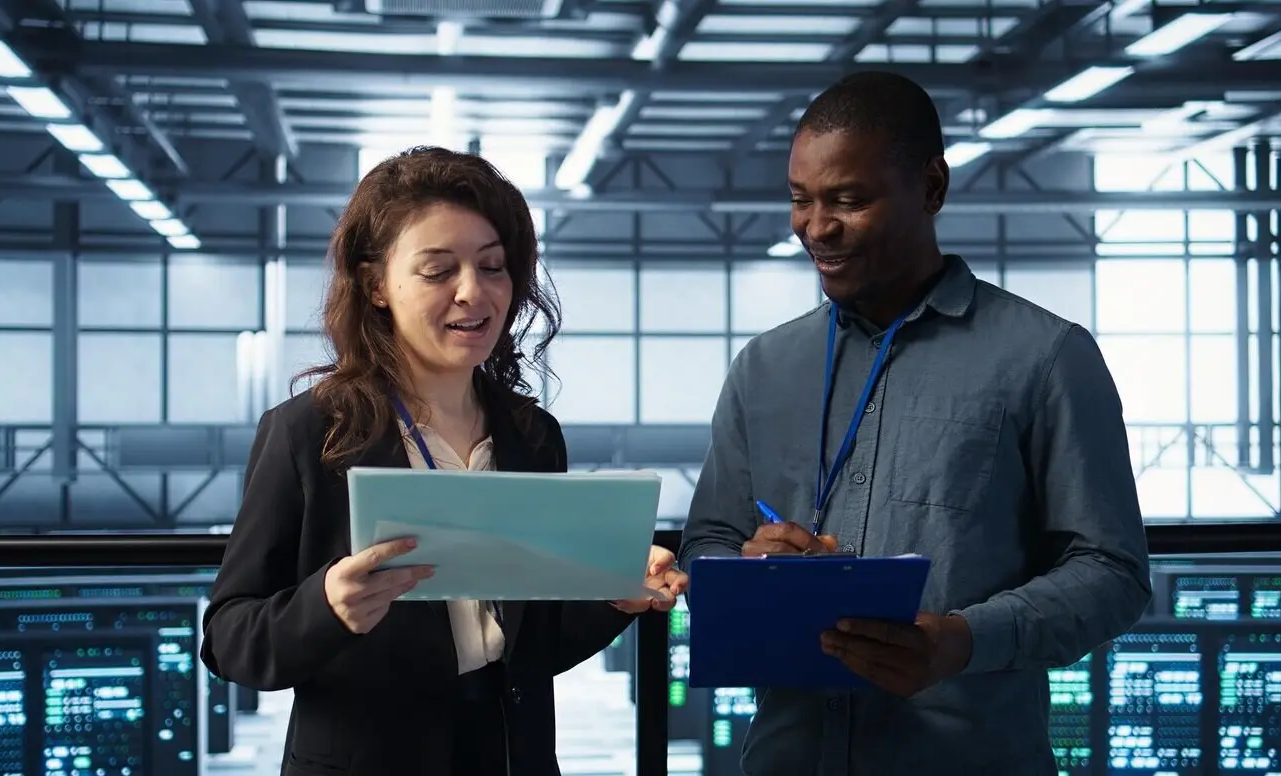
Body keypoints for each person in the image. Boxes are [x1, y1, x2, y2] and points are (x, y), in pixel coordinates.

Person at [678, 71, 1152, 775]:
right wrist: (747, 565)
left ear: (932, 188)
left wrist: (962, 640)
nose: (816, 226)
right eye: (800, 200)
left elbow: (1111, 571)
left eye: (848, 200)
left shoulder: (1046, 357)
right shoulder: (765, 367)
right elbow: (708, 540)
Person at [201, 146, 688, 776]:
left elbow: (528, 645)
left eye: (493, 267)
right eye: (438, 271)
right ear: (376, 284)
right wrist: (326, 606)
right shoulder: (309, 432)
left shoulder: (531, 436)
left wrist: (613, 595)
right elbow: (229, 637)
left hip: (511, 755)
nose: (473, 292)